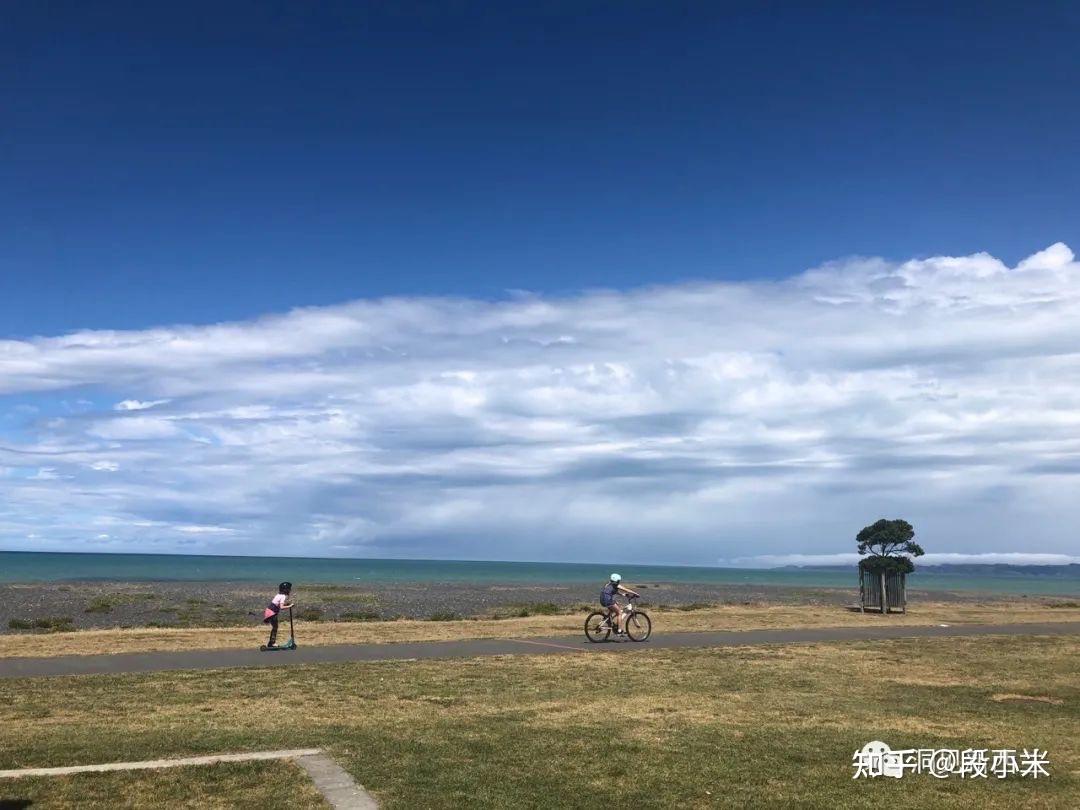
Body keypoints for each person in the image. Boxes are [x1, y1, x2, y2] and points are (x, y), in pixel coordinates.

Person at [263, 581, 294, 648]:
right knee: (275, 627)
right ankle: (272, 643)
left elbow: (278, 604)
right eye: (289, 589)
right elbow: (281, 607)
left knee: (274, 627)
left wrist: (287, 604)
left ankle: (271, 642)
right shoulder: (283, 596)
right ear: (285, 590)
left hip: (268, 611)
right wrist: (290, 606)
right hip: (272, 613)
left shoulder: (278, 595)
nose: (290, 590)